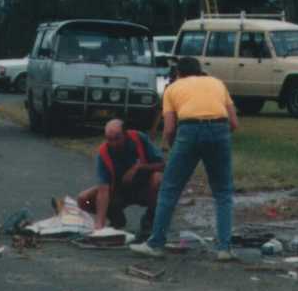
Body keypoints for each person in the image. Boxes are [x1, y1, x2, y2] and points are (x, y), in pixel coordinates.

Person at [130, 57, 240, 260]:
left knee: (169, 190)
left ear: (178, 73)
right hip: (220, 128)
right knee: (223, 192)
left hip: (189, 130)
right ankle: (224, 248)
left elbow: (170, 128)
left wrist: (174, 149)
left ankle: (156, 243)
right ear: (200, 71)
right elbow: (234, 122)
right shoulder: (217, 83)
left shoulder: (172, 89)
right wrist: (219, 137)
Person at [77, 118, 164, 236]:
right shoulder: (103, 153)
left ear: (125, 134)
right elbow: (103, 191)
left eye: (117, 138)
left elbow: (162, 165)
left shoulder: (139, 138)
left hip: (144, 189)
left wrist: (138, 167)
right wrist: (99, 227)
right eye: (109, 140)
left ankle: (151, 217)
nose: (114, 144)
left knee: (158, 178)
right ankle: (116, 218)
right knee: (83, 200)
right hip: (119, 192)